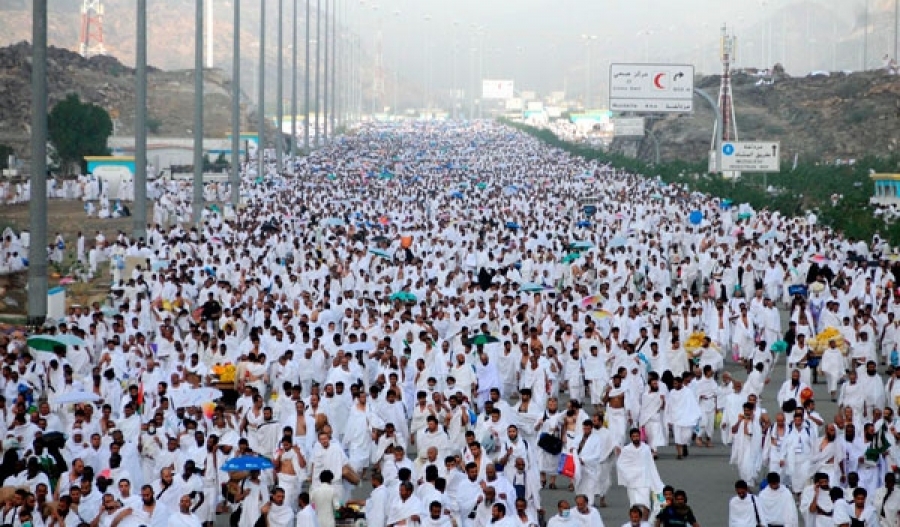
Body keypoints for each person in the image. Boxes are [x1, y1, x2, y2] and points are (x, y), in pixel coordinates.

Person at [616, 428, 664, 520]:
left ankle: (644, 523)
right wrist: (628, 475)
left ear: (640, 436)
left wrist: (654, 478)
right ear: (631, 438)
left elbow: (650, 464)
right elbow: (621, 464)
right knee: (634, 505)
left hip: (644, 481)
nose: (636, 438)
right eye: (633, 436)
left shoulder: (646, 448)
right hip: (632, 482)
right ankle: (635, 522)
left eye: (637, 436)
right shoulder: (626, 450)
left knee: (646, 504)